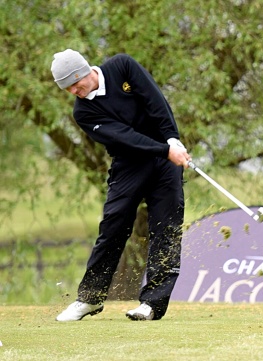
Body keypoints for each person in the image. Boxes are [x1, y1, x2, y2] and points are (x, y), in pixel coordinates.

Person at [51, 49, 192, 321]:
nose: (73, 91)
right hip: (129, 164)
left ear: (83, 72)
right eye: (67, 88)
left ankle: (152, 305)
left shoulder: (122, 67)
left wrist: (172, 138)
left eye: (75, 84)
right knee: (113, 227)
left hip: (166, 159)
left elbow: (154, 100)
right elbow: (125, 137)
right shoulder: (83, 112)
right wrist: (165, 149)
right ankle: (90, 299)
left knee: (166, 228)